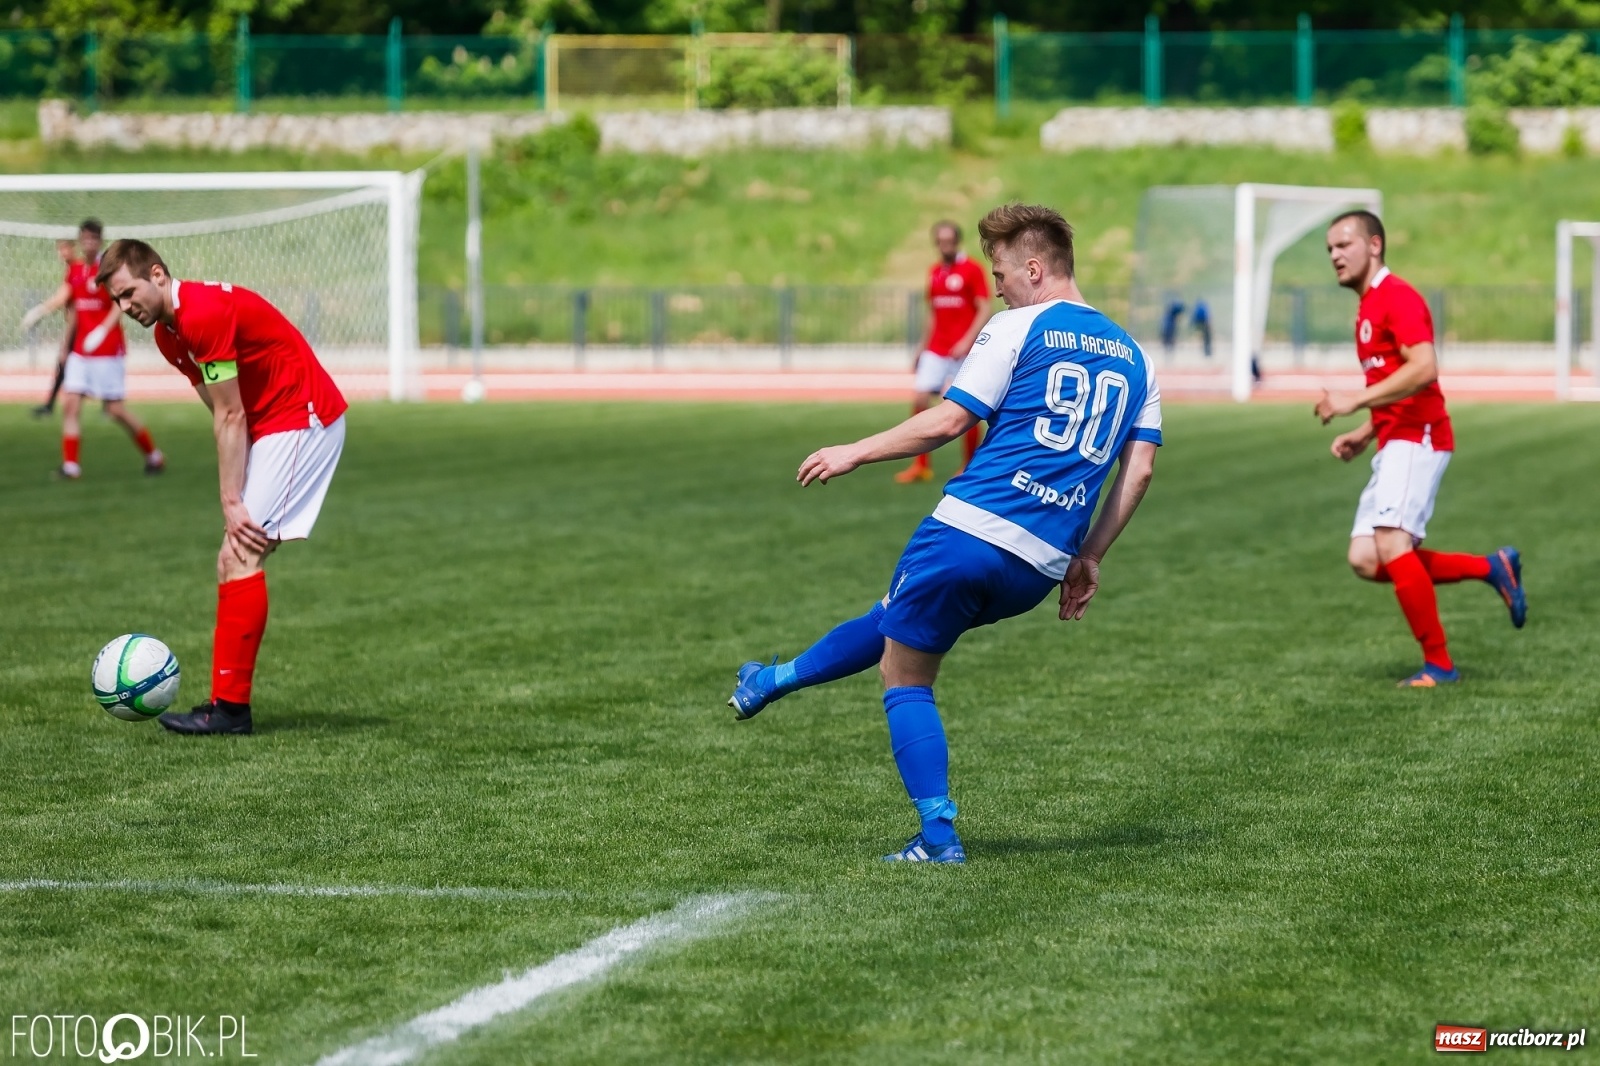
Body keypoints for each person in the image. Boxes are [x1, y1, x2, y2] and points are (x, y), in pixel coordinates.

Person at [729, 204, 1162, 863]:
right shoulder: (1137, 358)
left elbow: (946, 423)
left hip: (970, 530)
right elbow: (1140, 472)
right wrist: (1091, 556)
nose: (996, 286)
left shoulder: (1019, 326)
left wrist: (855, 449)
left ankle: (938, 836)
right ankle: (772, 679)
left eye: (1001, 272)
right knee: (898, 620)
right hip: (1039, 566)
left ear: (1036, 269)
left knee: (904, 677)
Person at [98, 239, 349, 735]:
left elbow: (232, 415)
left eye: (129, 293)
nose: (127, 308)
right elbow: (222, 410)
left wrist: (231, 499)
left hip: (302, 416)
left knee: (239, 555)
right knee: (233, 558)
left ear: (158, 275)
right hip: (274, 425)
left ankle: (230, 712)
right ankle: (226, 705)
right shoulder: (170, 337)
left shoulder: (203, 313)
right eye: (117, 302)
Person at [1315, 210, 1525, 687]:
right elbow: (1395, 383)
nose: (1335, 256)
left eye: (1344, 245)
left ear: (1374, 245)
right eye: (1329, 249)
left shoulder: (1398, 297)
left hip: (1421, 436)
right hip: (1394, 438)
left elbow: (1425, 367)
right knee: (1367, 558)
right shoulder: (1367, 307)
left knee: (1392, 542)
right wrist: (1366, 431)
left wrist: (1352, 401)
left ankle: (1440, 665)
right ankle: (1494, 568)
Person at [20, 220, 164, 478]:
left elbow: (118, 305)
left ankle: (153, 455)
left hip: (107, 350)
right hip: (81, 353)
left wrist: (101, 331)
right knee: (71, 403)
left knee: (115, 410)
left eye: (93, 239)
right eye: (85, 238)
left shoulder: (107, 269)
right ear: (80, 240)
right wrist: (41, 314)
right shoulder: (75, 270)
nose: (88, 243)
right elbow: (68, 303)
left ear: (99, 241)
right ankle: (71, 466)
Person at [894, 221, 993, 483]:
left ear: (957, 241)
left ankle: (968, 463)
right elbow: (933, 313)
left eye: (948, 241)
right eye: (940, 241)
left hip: (962, 350)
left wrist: (967, 340)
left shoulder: (972, 269)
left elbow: (984, 307)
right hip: (937, 348)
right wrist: (921, 347)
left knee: (966, 406)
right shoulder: (935, 271)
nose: (944, 246)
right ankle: (921, 464)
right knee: (920, 396)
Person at [22, 239, 78, 418]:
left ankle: (50, 405)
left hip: (83, 327)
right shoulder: (71, 270)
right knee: (63, 364)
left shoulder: (78, 269)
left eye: (64, 248)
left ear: (73, 248)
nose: (61, 253)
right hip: (76, 326)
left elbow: (61, 298)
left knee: (66, 362)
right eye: (59, 249)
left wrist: (38, 312)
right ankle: (50, 405)